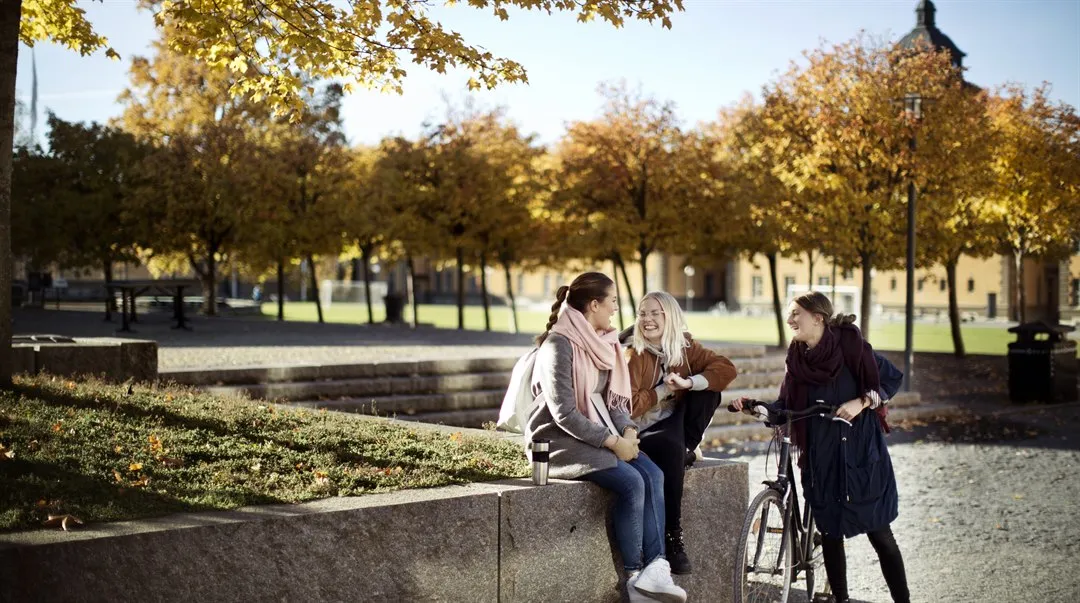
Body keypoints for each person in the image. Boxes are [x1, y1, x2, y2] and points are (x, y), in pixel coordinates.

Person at [732, 291, 910, 603]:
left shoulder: (852, 348)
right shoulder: (797, 361)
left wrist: (862, 401)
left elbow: (891, 380)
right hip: (821, 457)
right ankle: (840, 600)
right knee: (830, 533)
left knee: (880, 534)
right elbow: (785, 405)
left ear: (818, 318)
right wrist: (756, 408)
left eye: (795, 314)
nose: (790, 321)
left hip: (860, 455)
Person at [526, 272, 686, 603]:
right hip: (559, 440)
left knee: (654, 473)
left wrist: (628, 430)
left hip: (601, 433)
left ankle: (656, 569)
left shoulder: (606, 342)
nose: (616, 308)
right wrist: (614, 443)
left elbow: (613, 402)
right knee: (632, 482)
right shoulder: (559, 345)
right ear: (594, 304)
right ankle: (635, 578)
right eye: (612, 301)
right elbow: (564, 414)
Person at [622, 291, 737, 575]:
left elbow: (726, 368)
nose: (647, 320)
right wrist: (663, 390)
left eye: (654, 313)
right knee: (671, 448)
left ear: (669, 316)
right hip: (640, 428)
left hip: (672, 423)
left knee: (708, 392)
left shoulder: (682, 346)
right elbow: (629, 406)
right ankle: (673, 535)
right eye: (642, 314)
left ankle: (685, 449)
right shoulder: (632, 353)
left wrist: (688, 381)